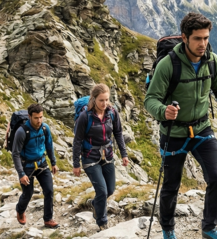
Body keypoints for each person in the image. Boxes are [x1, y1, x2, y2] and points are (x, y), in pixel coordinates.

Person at [145, 12, 217, 239]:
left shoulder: (212, 61)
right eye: (198, 39)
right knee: (171, 184)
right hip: (174, 132)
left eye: (206, 38)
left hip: (202, 128)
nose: (203, 44)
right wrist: (163, 111)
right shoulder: (167, 65)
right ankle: (168, 228)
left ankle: (210, 227)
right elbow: (151, 99)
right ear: (184, 38)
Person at [72, 84, 129, 231]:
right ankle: (102, 222)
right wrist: (76, 164)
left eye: (106, 100)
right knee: (102, 191)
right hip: (90, 157)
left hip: (108, 155)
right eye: (101, 100)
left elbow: (118, 133)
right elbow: (77, 140)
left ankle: (95, 203)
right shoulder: (85, 116)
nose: (104, 104)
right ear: (94, 99)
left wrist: (124, 154)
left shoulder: (112, 113)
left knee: (110, 190)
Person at [11, 103, 59, 227]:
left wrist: (53, 163)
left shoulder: (45, 128)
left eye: (41, 117)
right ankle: (20, 210)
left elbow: (49, 145)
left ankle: (48, 219)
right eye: (36, 118)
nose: (39, 120)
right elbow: (15, 154)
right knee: (28, 193)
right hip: (26, 166)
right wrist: (21, 174)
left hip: (42, 163)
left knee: (49, 191)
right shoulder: (22, 132)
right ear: (30, 116)